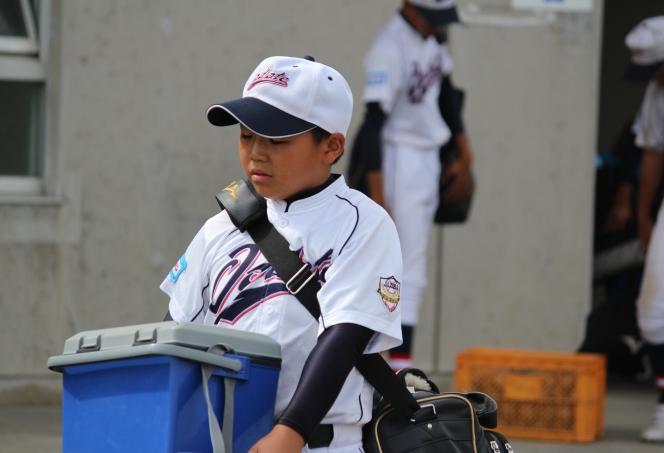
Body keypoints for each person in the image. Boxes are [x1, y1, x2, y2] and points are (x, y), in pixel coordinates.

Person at [160, 56, 404, 453]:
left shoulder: (363, 222)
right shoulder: (220, 227)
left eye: (277, 140)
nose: (257, 152)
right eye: (246, 135)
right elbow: (173, 338)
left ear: (331, 146)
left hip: (319, 445)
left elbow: (345, 338)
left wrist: (291, 431)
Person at [357, 0, 473, 369]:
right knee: (397, 267)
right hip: (397, 157)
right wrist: (378, 197)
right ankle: (391, 367)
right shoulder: (388, 47)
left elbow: (447, 96)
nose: (438, 25)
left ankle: (400, 365)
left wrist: (465, 154)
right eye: (432, 16)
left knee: (413, 266)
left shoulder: (433, 40)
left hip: (427, 157)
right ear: (409, 6)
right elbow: (372, 124)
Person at [625, 16, 664, 443]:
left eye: (660, 67)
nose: (655, 78)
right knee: (652, 310)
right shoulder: (659, 90)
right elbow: (653, 152)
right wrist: (643, 216)